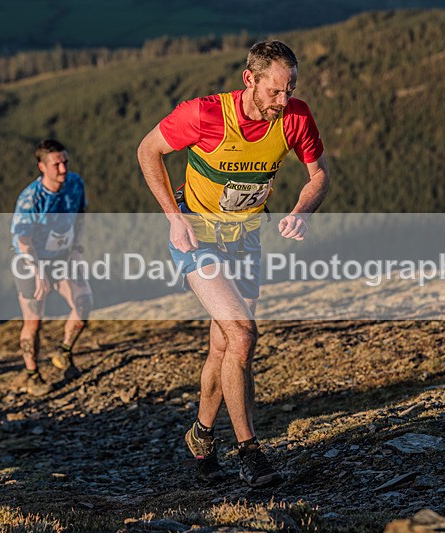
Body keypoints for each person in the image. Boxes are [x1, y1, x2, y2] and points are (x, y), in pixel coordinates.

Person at [137, 40, 330, 487]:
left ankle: (201, 436)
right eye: (274, 91)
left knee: (225, 347)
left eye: (290, 89)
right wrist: (173, 218)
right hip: (196, 236)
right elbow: (148, 150)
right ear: (250, 80)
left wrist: (302, 210)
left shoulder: (296, 117)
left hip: (245, 239)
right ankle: (250, 453)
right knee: (242, 335)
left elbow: (319, 175)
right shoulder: (204, 114)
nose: (283, 100)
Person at [10, 139, 92, 396]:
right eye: (56, 164)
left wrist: (77, 249)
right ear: (42, 167)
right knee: (33, 321)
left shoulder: (75, 183)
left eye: (65, 162)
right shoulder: (30, 199)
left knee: (84, 303)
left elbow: (80, 214)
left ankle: (63, 353)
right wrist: (38, 272)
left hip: (63, 257)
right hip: (30, 261)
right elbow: (22, 241)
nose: (63, 168)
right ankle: (32, 375)